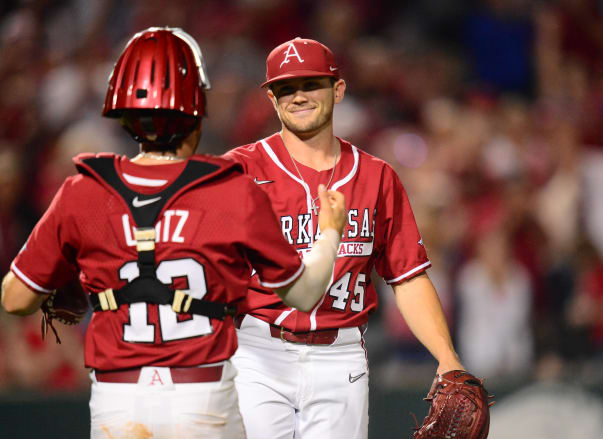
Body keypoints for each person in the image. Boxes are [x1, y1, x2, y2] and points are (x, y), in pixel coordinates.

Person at [1, 28, 346, 439]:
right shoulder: (231, 190)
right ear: (197, 110)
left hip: (118, 400)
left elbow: (15, 299)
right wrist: (329, 232)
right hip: (202, 398)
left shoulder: (82, 190)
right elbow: (305, 295)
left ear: (124, 114)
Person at [225, 37, 465, 439]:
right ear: (271, 98)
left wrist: (448, 358)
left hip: (340, 357)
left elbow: (408, 276)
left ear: (338, 90)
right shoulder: (239, 169)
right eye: (285, 88)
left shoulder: (376, 177)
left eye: (310, 84)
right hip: (257, 353)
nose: (298, 96)